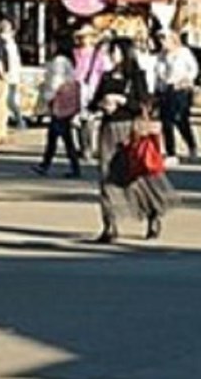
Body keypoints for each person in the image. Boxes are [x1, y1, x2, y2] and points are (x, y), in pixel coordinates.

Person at [90, 39, 176, 243]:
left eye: (116, 51)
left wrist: (123, 101)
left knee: (135, 175)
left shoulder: (137, 77)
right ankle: (110, 224)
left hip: (130, 130)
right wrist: (102, 104)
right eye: (111, 52)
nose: (112, 55)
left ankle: (152, 213)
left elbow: (144, 104)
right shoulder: (107, 77)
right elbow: (93, 102)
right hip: (108, 130)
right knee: (106, 176)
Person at [32, 41, 82, 178]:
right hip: (67, 101)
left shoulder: (59, 61)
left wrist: (48, 98)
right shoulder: (69, 61)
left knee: (60, 136)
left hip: (59, 101)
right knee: (59, 136)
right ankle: (48, 164)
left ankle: (50, 165)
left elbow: (55, 81)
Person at [156, 31, 201, 164]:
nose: (162, 43)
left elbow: (193, 69)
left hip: (181, 89)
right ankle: (171, 153)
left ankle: (191, 145)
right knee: (166, 122)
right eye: (160, 40)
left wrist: (187, 79)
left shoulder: (183, 52)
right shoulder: (161, 56)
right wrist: (157, 89)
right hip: (166, 90)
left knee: (180, 119)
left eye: (165, 39)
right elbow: (158, 73)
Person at [71, 24, 112, 158]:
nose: (84, 40)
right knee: (78, 119)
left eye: (86, 37)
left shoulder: (98, 54)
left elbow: (106, 70)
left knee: (89, 118)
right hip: (77, 86)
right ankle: (83, 146)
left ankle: (88, 147)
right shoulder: (75, 53)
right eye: (81, 37)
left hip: (92, 87)